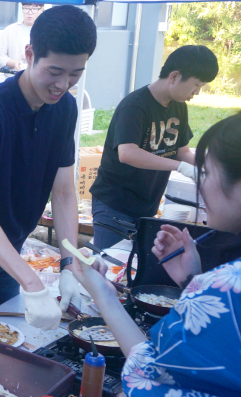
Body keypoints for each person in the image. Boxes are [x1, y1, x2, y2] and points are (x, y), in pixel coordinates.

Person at [71, 108, 241, 397]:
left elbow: (146, 372)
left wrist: (103, 294)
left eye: (206, 174)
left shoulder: (232, 289)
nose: (201, 187)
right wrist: (194, 281)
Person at [0, 5, 98, 329]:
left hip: (12, 246)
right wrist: (32, 281)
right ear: (29, 54)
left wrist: (70, 264)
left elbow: (64, 192)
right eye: (54, 71)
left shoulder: (65, 108)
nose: (63, 84)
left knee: (8, 336)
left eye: (75, 74)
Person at [89, 45, 219, 249]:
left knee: (135, 264)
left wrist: (212, 169)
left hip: (147, 205)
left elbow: (182, 151)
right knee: (109, 262)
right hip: (115, 204)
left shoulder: (179, 106)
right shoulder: (135, 105)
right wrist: (179, 167)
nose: (197, 92)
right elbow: (127, 153)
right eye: (196, 85)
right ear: (174, 76)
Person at [0, 2, 45, 72]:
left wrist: (35, 56)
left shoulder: (47, 31)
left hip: (39, 76)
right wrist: (14, 63)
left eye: (34, 8)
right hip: (14, 75)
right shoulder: (9, 30)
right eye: (26, 8)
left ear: (41, 10)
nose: (30, 12)